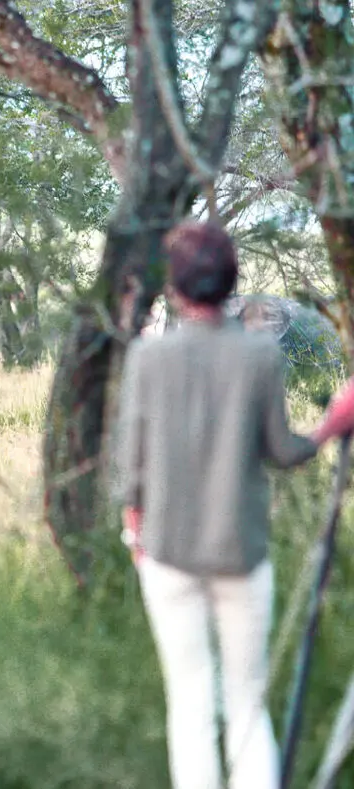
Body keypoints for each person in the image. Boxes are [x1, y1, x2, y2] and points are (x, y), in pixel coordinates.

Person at [115, 220, 354, 789]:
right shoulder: (258, 358)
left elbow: (131, 470)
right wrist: (330, 427)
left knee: (191, 705)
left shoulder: (148, 360)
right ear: (231, 282)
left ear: (174, 287)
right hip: (241, 555)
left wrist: (135, 537)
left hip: (167, 554)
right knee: (247, 705)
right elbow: (284, 451)